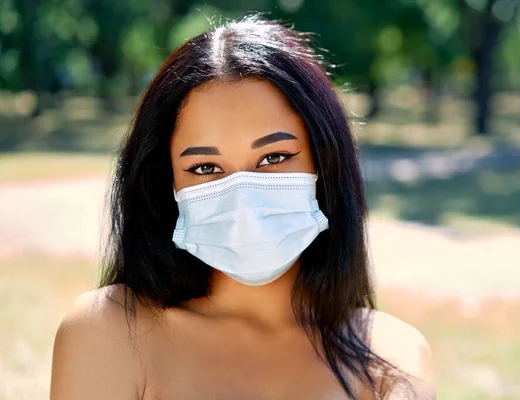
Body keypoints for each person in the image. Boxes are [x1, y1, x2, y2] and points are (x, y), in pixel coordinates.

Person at [49, 15, 436, 400]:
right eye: (204, 167)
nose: (243, 197)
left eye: (273, 158)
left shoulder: (392, 356)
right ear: (165, 184)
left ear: (325, 162)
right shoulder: (110, 332)